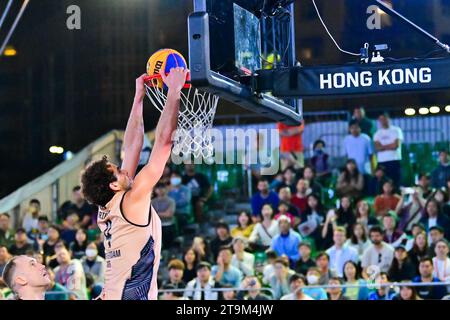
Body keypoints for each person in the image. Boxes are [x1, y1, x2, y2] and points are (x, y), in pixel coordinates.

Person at [80, 70, 188, 300]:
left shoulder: (107, 207)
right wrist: (174, 92)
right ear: (113, 186)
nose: (124, 170)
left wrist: (138, 96)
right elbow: (164, 141)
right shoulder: (132, 200)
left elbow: (130, 147)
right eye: (118, 172)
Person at [373, 112, 404, 188]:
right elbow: (377, 148)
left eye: (384, 119)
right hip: (382, 162)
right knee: (382, 183)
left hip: (394, 159)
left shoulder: (396, 130)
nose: (383, 121)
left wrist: (383, 146)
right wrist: (390, 145)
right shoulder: (377, 133)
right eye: (381, 119)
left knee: (395, 182)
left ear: (388, 119)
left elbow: (396, 145)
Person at [152, 183, 176, 249]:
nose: (160, 190)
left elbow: (169, 214)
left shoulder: (171, 201)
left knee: (169, 245)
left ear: (166, 189)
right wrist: (163, 213)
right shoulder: (152, 202)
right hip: (156, 226)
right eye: (158, 188)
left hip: (168, 225)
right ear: (155, 190)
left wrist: (156, 213)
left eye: (162, 188)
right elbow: (150, 215)